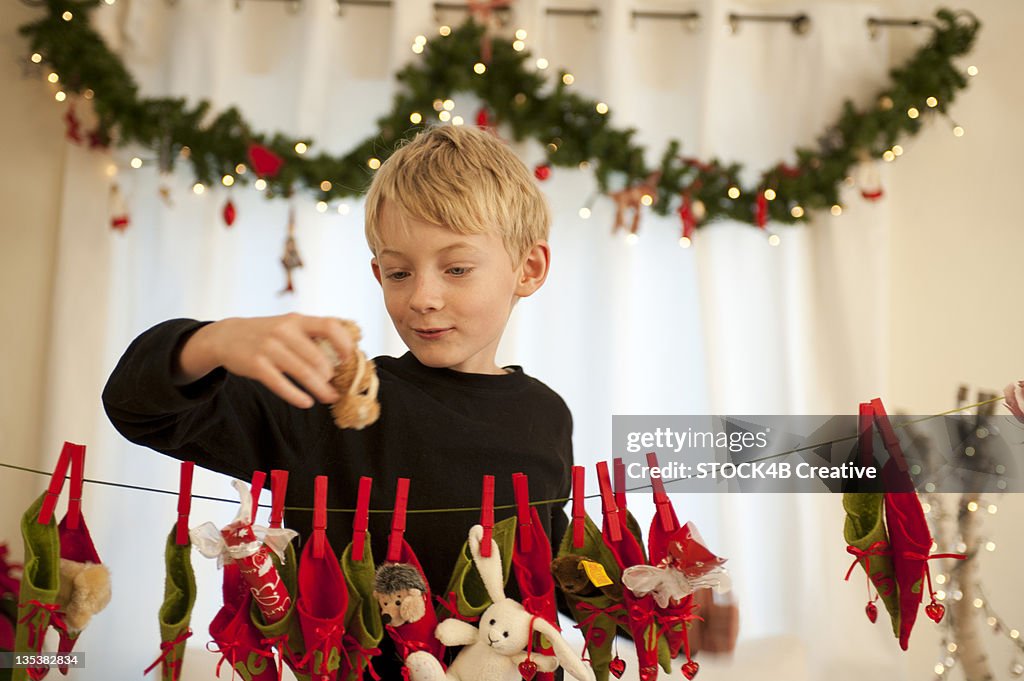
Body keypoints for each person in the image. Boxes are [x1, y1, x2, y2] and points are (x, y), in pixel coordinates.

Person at [102, 124, 573, 679]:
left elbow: (547, 556)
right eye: (399, 272)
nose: (422, 296)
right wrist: (214, 341)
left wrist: (651, 599)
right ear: (378, 274)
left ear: (529, 269)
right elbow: (136, 405)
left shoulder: (546, 414)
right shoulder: (325, 400)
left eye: (456, 268)